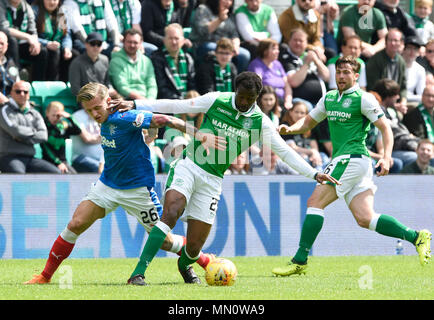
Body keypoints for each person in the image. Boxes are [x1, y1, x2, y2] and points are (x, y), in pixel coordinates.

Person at [112, 71, 339, 285]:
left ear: (257, 97)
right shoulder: (217, 100)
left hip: (213, 180)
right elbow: (176, 105)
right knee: (171, 212)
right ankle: (138, 273)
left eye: (250, 99)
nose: (244, 102)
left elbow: (285, 152)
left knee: (193, 247)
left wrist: (313, 173)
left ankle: (185, 265)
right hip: (189, 165)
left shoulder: (260, 122)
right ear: (235, 91)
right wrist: (135, 104)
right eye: (241, 97)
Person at [24, 82, 223, 285]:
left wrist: (198, 134)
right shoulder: (107, 117)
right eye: (89, 110)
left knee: (165, 241)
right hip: (107, 186)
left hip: (138, 190)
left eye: (97, 108)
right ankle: (44, 276)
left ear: (108, 102)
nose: (94, 114)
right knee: (75, 224)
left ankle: (204, 258)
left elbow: (164, 119)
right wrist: (151, 132)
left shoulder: (124, 117)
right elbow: (150, 124)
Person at [272, 56, 432, 277]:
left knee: (314, 202)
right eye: (338, 72)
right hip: (355, 163)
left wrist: (385, 157)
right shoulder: (329, 98)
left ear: (356, 76)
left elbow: (385, 129)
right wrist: (290, 129)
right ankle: (417, 237)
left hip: (351, 159)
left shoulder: (363, 99)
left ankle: (300, 260)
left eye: (346, 72)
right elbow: (308, 122)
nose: (341, 76)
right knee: (365, 218)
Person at [0, 80, 60, 173]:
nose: (22, 94)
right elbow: (16, 132)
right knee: (19, 176)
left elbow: (43, 136)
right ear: (11, 93)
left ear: (28, 95)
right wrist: (33, 133)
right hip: (9, 157)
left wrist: (21, 137)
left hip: (30, 157)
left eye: (25, 92)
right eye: (18, 91)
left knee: (55, 173)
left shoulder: (34, 113)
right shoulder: (5, 110)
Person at [189, 0, 251, 73]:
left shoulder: (230, 15)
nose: (228, 2)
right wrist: (219, 20)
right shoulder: (203, 9)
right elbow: (203, 31)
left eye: (231, 1)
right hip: (205, 44)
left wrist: (235, 44)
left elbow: (234, 34)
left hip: (227, 46)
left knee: (244, 55)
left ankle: (235, 80)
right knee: (222, 52)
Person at [372, 78, 419, 168]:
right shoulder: (379, 114)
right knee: (417, 157)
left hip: (407, 145)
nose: (398, 97)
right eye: (395, 94)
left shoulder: (391, 111)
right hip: (394, 149)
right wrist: (416, 146)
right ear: (388, 96)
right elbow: (397, 137)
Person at [279, 28, 329, 110]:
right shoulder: (286, 58)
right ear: (289, 41)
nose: (298, 43)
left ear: (306, 43)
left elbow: (327, 77)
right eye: (295, 40)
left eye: (301, 41)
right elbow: (293, 82)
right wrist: (307, 63)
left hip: (320, 101)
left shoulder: (311, 55)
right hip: (300, 102)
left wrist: (316, 61)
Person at [109, 28, 158, 100]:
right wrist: (140, 99)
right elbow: (121, 86)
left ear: (141, 43)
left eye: (135, 42)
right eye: (129, 42)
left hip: (147, 101)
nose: (132, 45)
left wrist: (150, 101)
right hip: (127, 101)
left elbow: (152, 85)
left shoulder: (146, 61)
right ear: (123, 42)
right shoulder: (115, 61)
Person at [280, 100, 329, 172]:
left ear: (306, 115)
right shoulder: (286, 128)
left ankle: (321, 175)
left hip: (310, 155)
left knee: (323, 157)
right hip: (295, 156)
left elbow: (314, 147)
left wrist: (315, 154)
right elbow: (292, 148)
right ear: (290, 112)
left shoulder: (309, 127)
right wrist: (311, 152)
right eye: (296, 112)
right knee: (304, 158)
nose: (299, 115)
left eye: (302, 113)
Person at [5, 0, 48, 81]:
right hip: (5, 45)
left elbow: (33, 31)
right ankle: (17, 78)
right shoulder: (2, 5)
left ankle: (38, 85)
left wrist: (35, 42)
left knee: (42, 51)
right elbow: (4, 28)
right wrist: (28, 37)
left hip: (21, 44)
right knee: (12, 41)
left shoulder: (27, 7)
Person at [150, 23, 196, 99]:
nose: (174, 42)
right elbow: (162, 89)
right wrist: (180, 100)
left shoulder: (188, 58)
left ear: (183, 40)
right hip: (168, 102)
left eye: (176, 38)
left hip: (187, 102)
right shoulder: (156, 58)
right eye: (170, 38)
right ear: (164, 40)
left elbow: (192, 85)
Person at [32, 0, 73, 81]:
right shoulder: (35, 11)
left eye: (55, 0)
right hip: (41, 45)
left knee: (74, 55)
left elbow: (66, 35)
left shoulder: (61, 13)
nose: (52, 2)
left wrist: (67, 48)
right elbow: (30, 34)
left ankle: (65, 86)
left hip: (57, 45)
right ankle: (51, 83)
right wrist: (47, 43)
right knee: (52, 52)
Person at [366, 28, 407, 107]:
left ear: (401, 43)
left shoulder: (401, 61)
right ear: (385, 42)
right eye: (390, 40)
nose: (393, 43)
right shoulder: (375, 60)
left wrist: (403, 102)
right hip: (379, 103)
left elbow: (403, 87)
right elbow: (373, 88)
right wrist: (393, 105)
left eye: (396, 40)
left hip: (395, 101)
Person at [247, 38, 292, 110]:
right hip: (267, 103)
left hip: (283, 102)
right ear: (265, 51)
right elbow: (256, 84)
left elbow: (287, 85)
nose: (278, 51)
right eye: (274, 49)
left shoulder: (277, 64)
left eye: (278, 49)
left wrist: (288, 101)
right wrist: (275, 106)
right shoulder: (256, 65)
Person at [69, 32, 116, 97]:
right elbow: (75, 89)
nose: (96, 47)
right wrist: (91, 98)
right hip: (86, 102)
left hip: (103, 99)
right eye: (92, 44)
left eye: (99, 44)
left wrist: (110, 89)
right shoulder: (76, 63)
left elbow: (107, 81)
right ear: (86, 44)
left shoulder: (105, 59)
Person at [70, 105, 103, 173]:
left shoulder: (101, 115)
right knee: (103, 170)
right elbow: (87, 139)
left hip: (102, 159)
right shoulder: (77, 116)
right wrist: (105, 136)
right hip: (82, 158)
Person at [402, 35, 426, 105]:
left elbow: (421, 94)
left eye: (415, 49)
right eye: (409, 48)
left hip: (410, 103)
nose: (412, 52)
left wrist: (405, 98)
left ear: (418, 52)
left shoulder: (420, 70)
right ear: (404, 49)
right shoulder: (396, 64)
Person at [0, 30, 19, 104]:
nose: (0, 46)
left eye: (2, 43)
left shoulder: (11, 64)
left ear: (7, 46)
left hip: (10, 105)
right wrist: (7, 103)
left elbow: (18, 85)